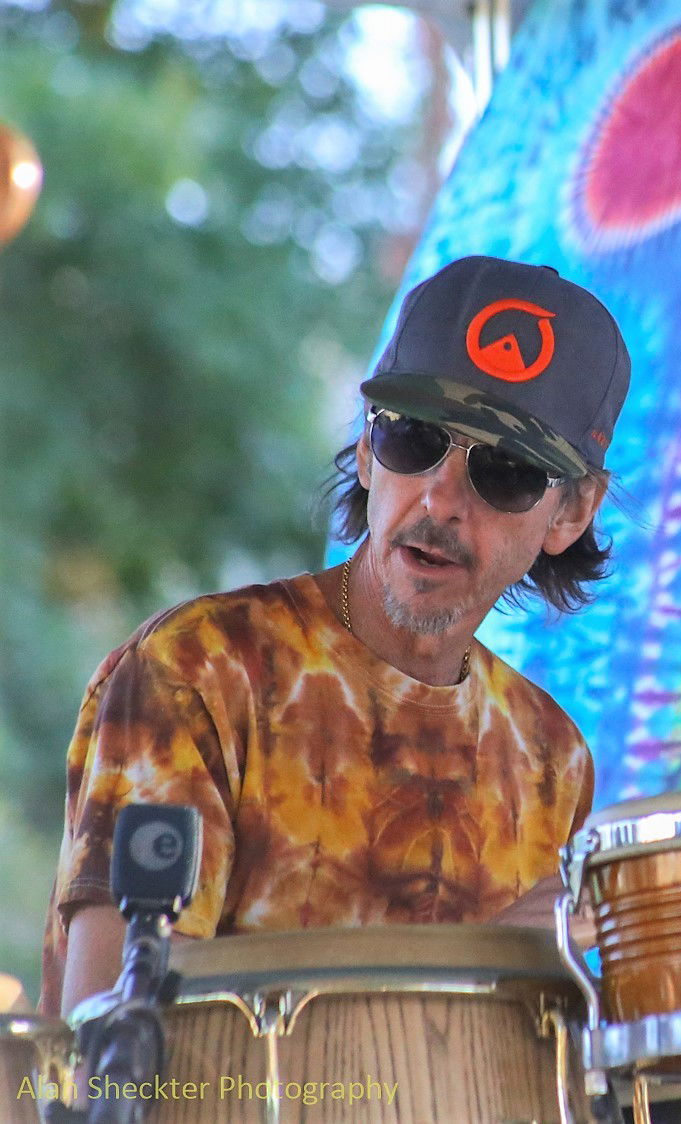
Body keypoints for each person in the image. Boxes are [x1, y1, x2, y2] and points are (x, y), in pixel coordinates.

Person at [40, 255, 629, 1017]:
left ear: (573, 512)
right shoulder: (199, 672)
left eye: (507, 470)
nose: (440, 499)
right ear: (366, 449)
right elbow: (112, 1035)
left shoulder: (551, 757)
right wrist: (483, 955)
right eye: (414, 439)